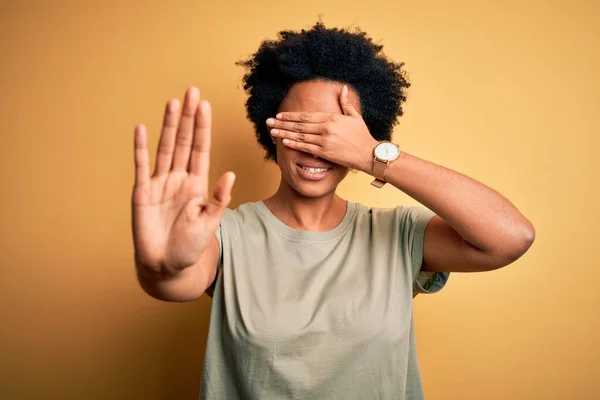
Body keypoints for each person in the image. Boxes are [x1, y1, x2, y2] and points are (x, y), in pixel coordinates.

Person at [131, 22, 535, 400]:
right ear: (271, 129)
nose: (314, 147)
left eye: (332, 132)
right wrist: (161, 265)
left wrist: (372, 154)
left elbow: (510, 237)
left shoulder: (399, 233)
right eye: (300, 128)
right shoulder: (225, 233)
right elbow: (176, 282)